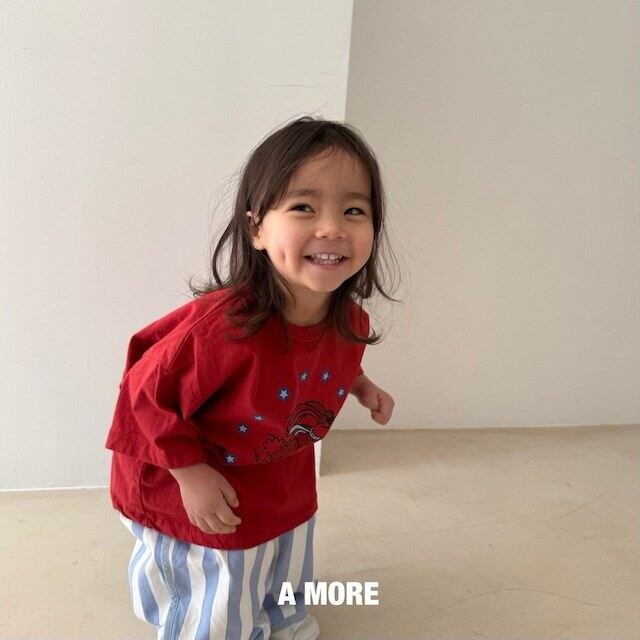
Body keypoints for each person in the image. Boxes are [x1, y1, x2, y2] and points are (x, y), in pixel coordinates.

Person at [105, 115, 398, 640]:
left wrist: (361, 386)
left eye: (354, 210)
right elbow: (144, 394)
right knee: (221, 574)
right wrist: (190, 475)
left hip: (274, 471)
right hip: (195, 475)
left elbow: (329, 357)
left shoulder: (347, 319)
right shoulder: (222, 329)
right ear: (257, 229)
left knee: (285, 551)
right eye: (304, 207)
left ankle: (280, 616)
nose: (332, 227)